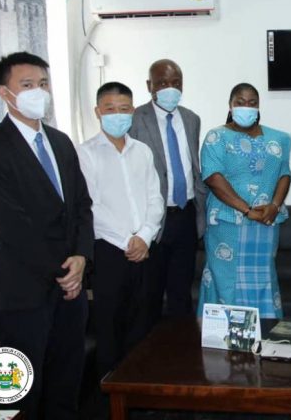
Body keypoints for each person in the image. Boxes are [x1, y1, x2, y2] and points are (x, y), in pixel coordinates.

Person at [0, 52, 93, 419]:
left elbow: (82, 207)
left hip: (70, 292)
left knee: (66, 384)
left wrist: (82, 258)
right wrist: (63, 273)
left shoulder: (60, 142)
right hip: (25, 293)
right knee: (22, 394)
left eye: (43, 84)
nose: (38, 92)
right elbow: (13, 227)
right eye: (27, 85)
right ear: (5, 93)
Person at [77, 82, 164, 378]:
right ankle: (110, 398)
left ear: (133, 112)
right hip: (109, 252)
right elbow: (91, 206)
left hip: (145, 249)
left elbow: (155, 197)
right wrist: (129, 240)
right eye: (110, 109)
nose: (118, 114)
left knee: (142, 324)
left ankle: (140, 391)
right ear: (98, 112)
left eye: (124, 109)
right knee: (110, 327)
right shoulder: (85, 154)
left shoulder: (143, 151)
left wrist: (145, 235)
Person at [197, 83, 291, 318]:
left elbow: (284, 174)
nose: (246, 107)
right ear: (230, 105)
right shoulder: (216, 137)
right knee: (226, 281)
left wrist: (275, 206)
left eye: (252, 103)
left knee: (263, 280)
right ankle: (225, 343)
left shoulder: (280, 138)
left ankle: (264, 338)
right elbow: (212, 177)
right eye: (240, 102)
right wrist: (247, 210)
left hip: (266, 224)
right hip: (227, 223)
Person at [129, 59, 205, 320]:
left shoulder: (191, 119)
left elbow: (192, 165)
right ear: (149, 86)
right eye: (162, 83)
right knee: (149, 295)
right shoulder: (135, 118)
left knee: (181, 294)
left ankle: (179, 354)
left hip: (186, 215)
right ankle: (147, 356)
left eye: (176, 83)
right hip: (152, 218)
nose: (170, 88)